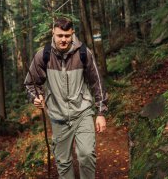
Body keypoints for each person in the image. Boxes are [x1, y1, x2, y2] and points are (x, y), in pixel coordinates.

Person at [24, 17, 108, 179]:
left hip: (82, 113)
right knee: (63, 162)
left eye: (67, 36)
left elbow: (97, 82)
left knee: (86, 154)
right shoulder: (43, 55)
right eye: (60, 35)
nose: (63, 39)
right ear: (53, 34)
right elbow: (30, 83)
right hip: (58, 117)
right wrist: (35, 97)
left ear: (72, 34)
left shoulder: (83, 53)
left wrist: (101, 113)